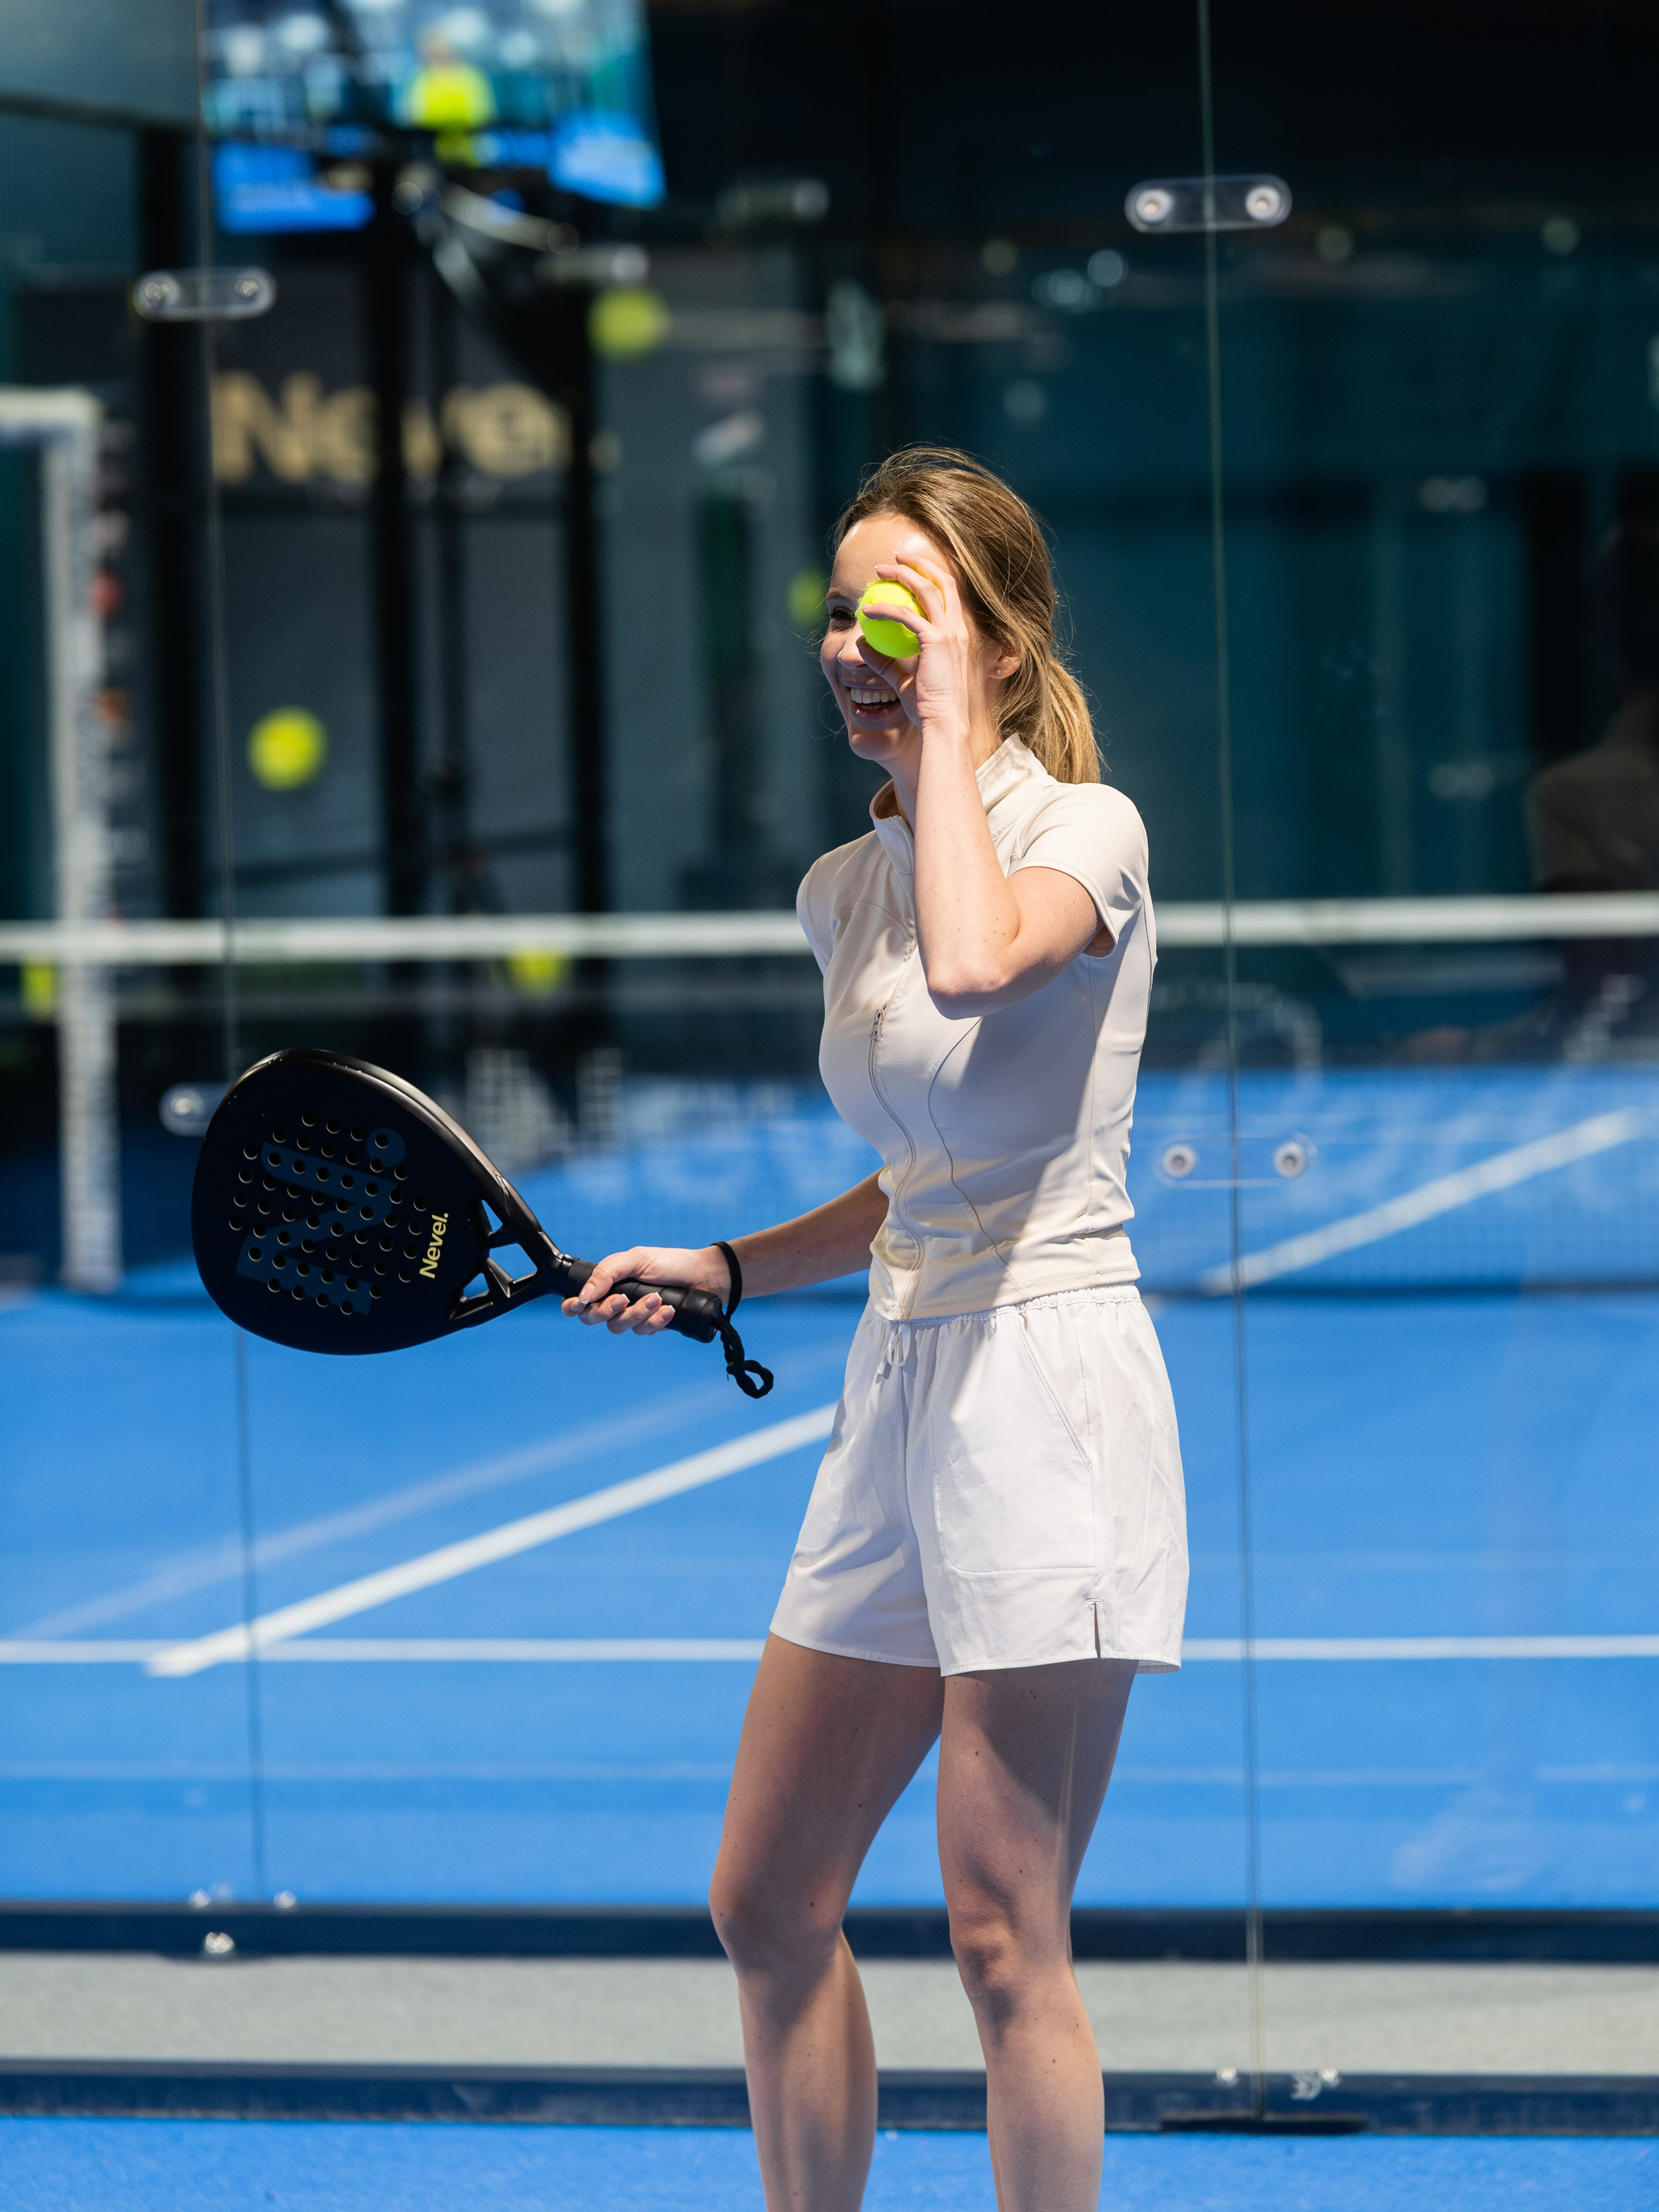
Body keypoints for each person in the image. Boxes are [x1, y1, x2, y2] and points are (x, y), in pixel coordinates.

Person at [563, 447, 1187, 2212]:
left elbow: (988, 966)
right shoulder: (847, 891)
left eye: (899, 606)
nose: (856, 639)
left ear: (995, 635)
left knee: (1003, 1937)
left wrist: (941, 748)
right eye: (841, 606)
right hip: (897, 1392)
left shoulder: (1087, 833)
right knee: (766, 1899)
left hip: (1048, 1397)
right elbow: (917, 1181)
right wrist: (731, 1265)